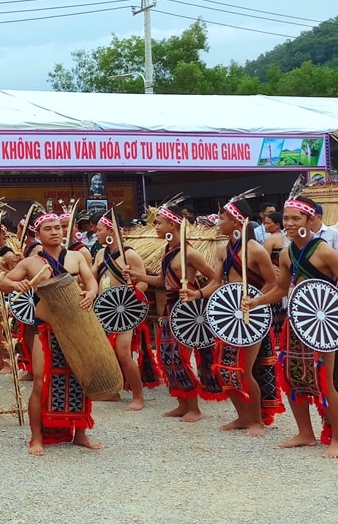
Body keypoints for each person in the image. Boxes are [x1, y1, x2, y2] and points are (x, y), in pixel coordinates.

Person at [0, 211, 101, 456]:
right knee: (39, 382)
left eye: (58, 227)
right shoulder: (31, 263)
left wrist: (91, 293)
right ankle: (36, 437)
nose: (55, 231)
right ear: (38, 234)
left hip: (76, 327)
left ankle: (80, 434)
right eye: (49, 228)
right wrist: (17, 285)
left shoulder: (76, 257)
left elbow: (91, 281)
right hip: (46, 330)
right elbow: (3, 283)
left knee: (81, 380)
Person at [245, 194, 338, 457]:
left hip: (323, 326)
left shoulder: (324, 251)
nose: (288, 222)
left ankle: (336, 439)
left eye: (295, 217)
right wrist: (256, 302)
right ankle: (305, 434)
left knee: (325, 381)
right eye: (286, 217)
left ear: (310, 220)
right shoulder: (286, 253)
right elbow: (281, 289)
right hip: (294, 323)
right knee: (292, 377)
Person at [184, 196, 282, 437]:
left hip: (252, 316)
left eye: (223, 217)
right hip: (229, 316)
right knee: (225, 369)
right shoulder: (222, 250)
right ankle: (242, 416)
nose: (219, 221)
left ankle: (257, 420)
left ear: (237, 222)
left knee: (245, 369)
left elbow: (273, 283)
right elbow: (217, 283)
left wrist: (255, 302)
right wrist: (196, 293)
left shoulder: (256, 250)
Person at [131, 202, 223, 423]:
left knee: (181, 357)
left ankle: (194, 408)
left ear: (172, 225)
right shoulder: (167, 250)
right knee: (168, 357)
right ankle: (182, 403)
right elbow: (164, 282)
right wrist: (140, 276)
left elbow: (216, 279)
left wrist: (198, 294)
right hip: (171, 308)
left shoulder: (190, 253)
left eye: (159, 223)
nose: (156, 227)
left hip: (188, 311)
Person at [91, 211, 149, 411]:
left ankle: (138, 396)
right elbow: (91, 279)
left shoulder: (129, 254)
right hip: (103, 310)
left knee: (123, 353)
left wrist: (129, 295)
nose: (95, 233)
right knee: (106, 352)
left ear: (111, 230)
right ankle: (113, 391)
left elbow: (143, 283)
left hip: (123, 311)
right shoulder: (100, 254)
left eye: (99, 230)